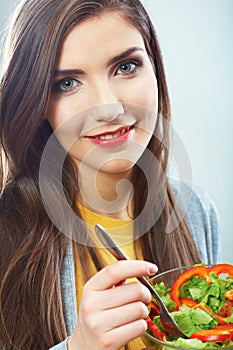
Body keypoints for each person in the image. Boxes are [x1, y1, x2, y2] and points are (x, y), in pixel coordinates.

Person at [0, 0, 221, 349]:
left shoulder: (196, 211)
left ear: (154, 68)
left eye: (126, 66)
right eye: (68, 83)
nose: (109, 108)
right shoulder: (6, 235)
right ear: (36, 102)